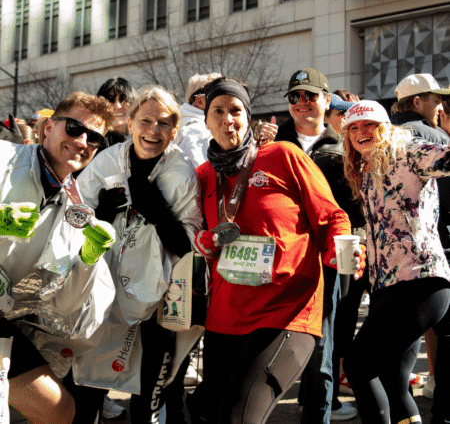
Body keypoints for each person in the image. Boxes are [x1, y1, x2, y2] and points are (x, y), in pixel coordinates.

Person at [192, 76, 364, 423]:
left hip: (286, 310)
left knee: (239, 416)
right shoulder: (204, 175)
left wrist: (338, 252)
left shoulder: (283, 156)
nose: (228, 119)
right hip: (226, 315)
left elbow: (331, 215)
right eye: (218, 111)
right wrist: (205, 243)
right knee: (203, 412)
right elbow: (201, 235)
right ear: (206, 120)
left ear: (249, 114)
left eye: (236, 110)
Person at [72, 85, 202, 424]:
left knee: (146, 400)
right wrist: (98, 214)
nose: (153, 131)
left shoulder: (182, 172)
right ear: (129, 123)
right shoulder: (107, 161)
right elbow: (73, 217)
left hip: (159, 299)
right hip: (104, 291)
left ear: (175, 131)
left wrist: (156, 209)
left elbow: (189, 244)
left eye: (163, 123)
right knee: (89, 392)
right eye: (145, 121)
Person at [0, 92, 116, 424]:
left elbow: (64, 306)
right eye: (74, 128)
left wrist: (89, 260)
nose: (82, 141)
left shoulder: (77, 212)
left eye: (94, 138)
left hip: (4, 318)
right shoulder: (3, 158)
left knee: (58, 410)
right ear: (49, 127)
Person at [342, 100, 450, 424]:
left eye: (371, 124)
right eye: (354, 128)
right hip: (389, 288)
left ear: (386, 127)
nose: (363, 132)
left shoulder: (406, 151)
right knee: (392, 381)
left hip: (419, 283)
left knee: (358, 367)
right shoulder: (365, 172)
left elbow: (443, 158)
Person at [275, 68, 364, 422]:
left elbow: (357, 208)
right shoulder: (270, 148)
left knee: (321, 351)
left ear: (327, 102)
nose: (302, 103)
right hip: (278, 264)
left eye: (310, 95)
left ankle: (316, 415)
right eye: (294, 96)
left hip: (325, 266)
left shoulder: (343, 150)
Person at [391, 73, 450, 401]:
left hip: (391, 256)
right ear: (417, 102)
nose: (440, 105)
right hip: (433, 249)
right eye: (435, 99)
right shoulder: (431, 136)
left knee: (400, 346)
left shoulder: (382, 135)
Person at [97, 76, 137, 145]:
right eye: (111, 99)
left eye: (123, 98)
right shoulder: (92, 143)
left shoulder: (144, 140)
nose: (118, 106)